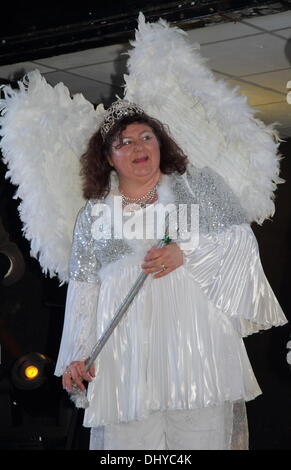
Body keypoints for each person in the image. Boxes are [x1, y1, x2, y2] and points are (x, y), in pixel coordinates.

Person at [54, 100, 287, 450]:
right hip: (126, 359)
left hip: (195, 352)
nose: (139, 147)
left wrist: (187, 251)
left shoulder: (197, 188)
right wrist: (77, 352)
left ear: (161, 144)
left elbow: (241, 242)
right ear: (107, 158)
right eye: (125, 142)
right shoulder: (94, 214)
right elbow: (85, 285)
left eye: (147, 137)